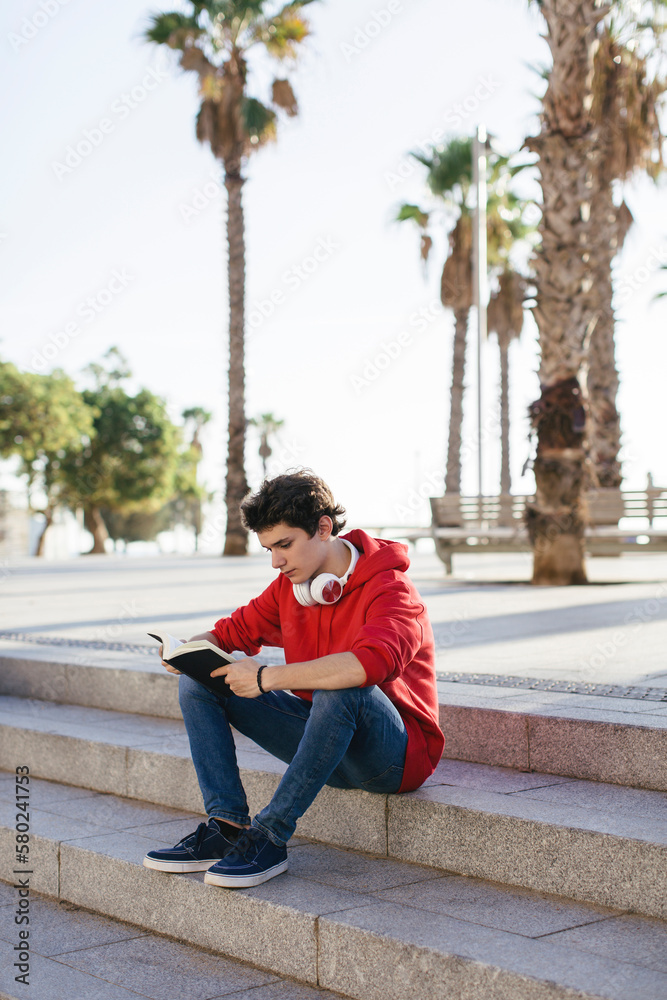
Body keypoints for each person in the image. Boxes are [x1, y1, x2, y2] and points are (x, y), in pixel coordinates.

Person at [143, 470, 444, 888]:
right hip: (327, 745)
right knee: (200, 681)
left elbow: (369, 665)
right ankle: (227, 827)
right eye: (269, 549)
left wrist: (266, 677)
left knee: (344, 690)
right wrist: (188, 651)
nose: (276, 561)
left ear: (323, 528)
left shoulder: (392, 589)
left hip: (393, 759)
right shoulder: (292, 587)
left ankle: (269, 837)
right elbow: (232, 632)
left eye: (284, 545)